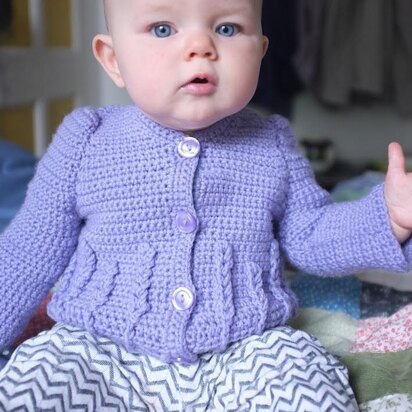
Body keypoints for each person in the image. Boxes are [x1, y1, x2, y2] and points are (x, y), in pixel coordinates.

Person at [0, 0, 411, 410]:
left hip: (246, 346)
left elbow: (311, 235)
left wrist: (387, 218)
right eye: (163, 29)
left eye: (228, 30)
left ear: (261, 52)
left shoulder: (271, 142)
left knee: (306, 380)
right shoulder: (87, 138)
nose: (201, 46)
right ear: (114, 59)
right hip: (99, 345)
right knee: (37, 380)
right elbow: (30, 250)